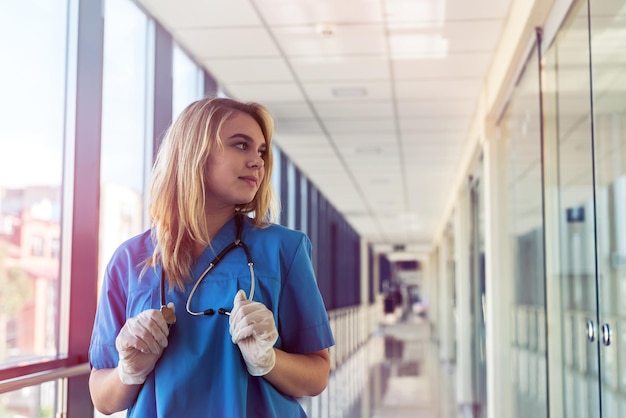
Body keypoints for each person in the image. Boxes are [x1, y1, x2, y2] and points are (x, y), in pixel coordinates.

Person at [88, 97, 335, 417]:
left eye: (261, 151)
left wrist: (269, 360)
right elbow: (103, 399)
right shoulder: (130, 260)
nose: (258, 161)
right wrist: (128, 371)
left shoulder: (284, 250)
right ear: (195, 152)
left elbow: (316, 375)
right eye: (240, 145)